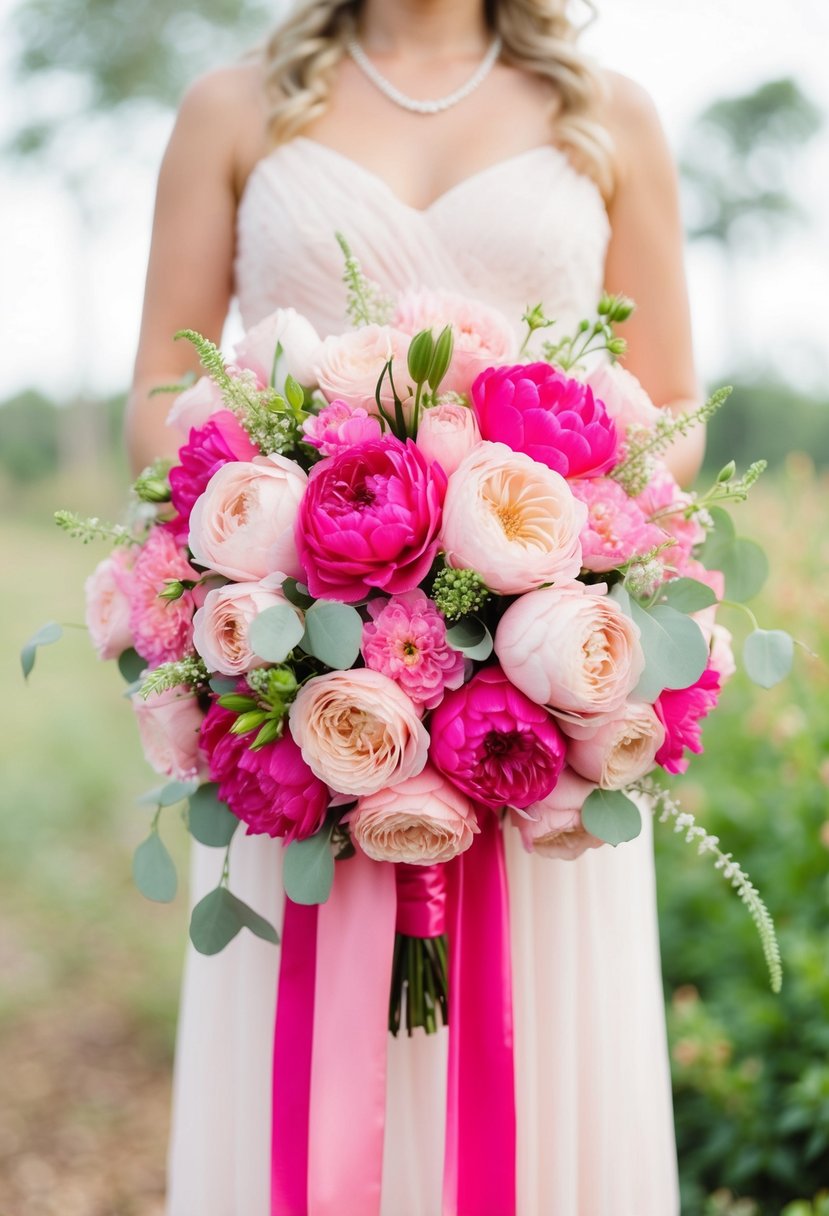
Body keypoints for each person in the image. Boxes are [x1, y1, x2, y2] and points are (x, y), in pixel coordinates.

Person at [127, 2, 703, 1212]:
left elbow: (673, 409)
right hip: (306, 705)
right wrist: (275, 547)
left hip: (538, 725)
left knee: (539, 1083)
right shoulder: (231, 109)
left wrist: (544, 567)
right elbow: (157, 394)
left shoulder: (608, 113)